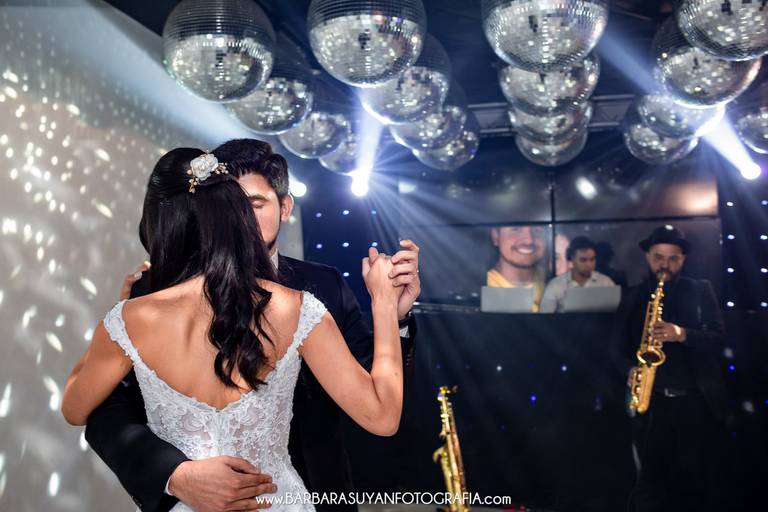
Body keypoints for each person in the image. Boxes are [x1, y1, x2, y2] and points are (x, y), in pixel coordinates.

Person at [61, 147, 409, 511]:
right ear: (234, 214)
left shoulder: (131, 318)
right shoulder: (296, 308)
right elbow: (382, 417)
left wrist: (116, 321)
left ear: (159, 225)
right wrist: (384, 305)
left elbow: (74, 409)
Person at [612, 225, 728, 511]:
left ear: (683, 259)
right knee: (649, 481)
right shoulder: (633, 295)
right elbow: (615, 348)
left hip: (693, 402)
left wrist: (682, 334)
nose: (665, 264)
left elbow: (719, 339)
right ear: (648, 257)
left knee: (694, 478)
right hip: (650, 403)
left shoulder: (700, 289)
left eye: (673, 258)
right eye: (658, 257)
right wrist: (630, 370)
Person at [539, 236, 615, 313]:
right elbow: (545, 316)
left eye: (592, 259)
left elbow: (615, 315)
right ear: (572, 260)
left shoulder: (606, 283)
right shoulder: (556, 285)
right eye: (583, 260)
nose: (589, 264)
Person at [487, 225, 548, 312]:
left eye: (537, 230)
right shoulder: (483, 286)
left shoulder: (553, 278)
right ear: (496, 236)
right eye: (516, 229)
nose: (529, 241)